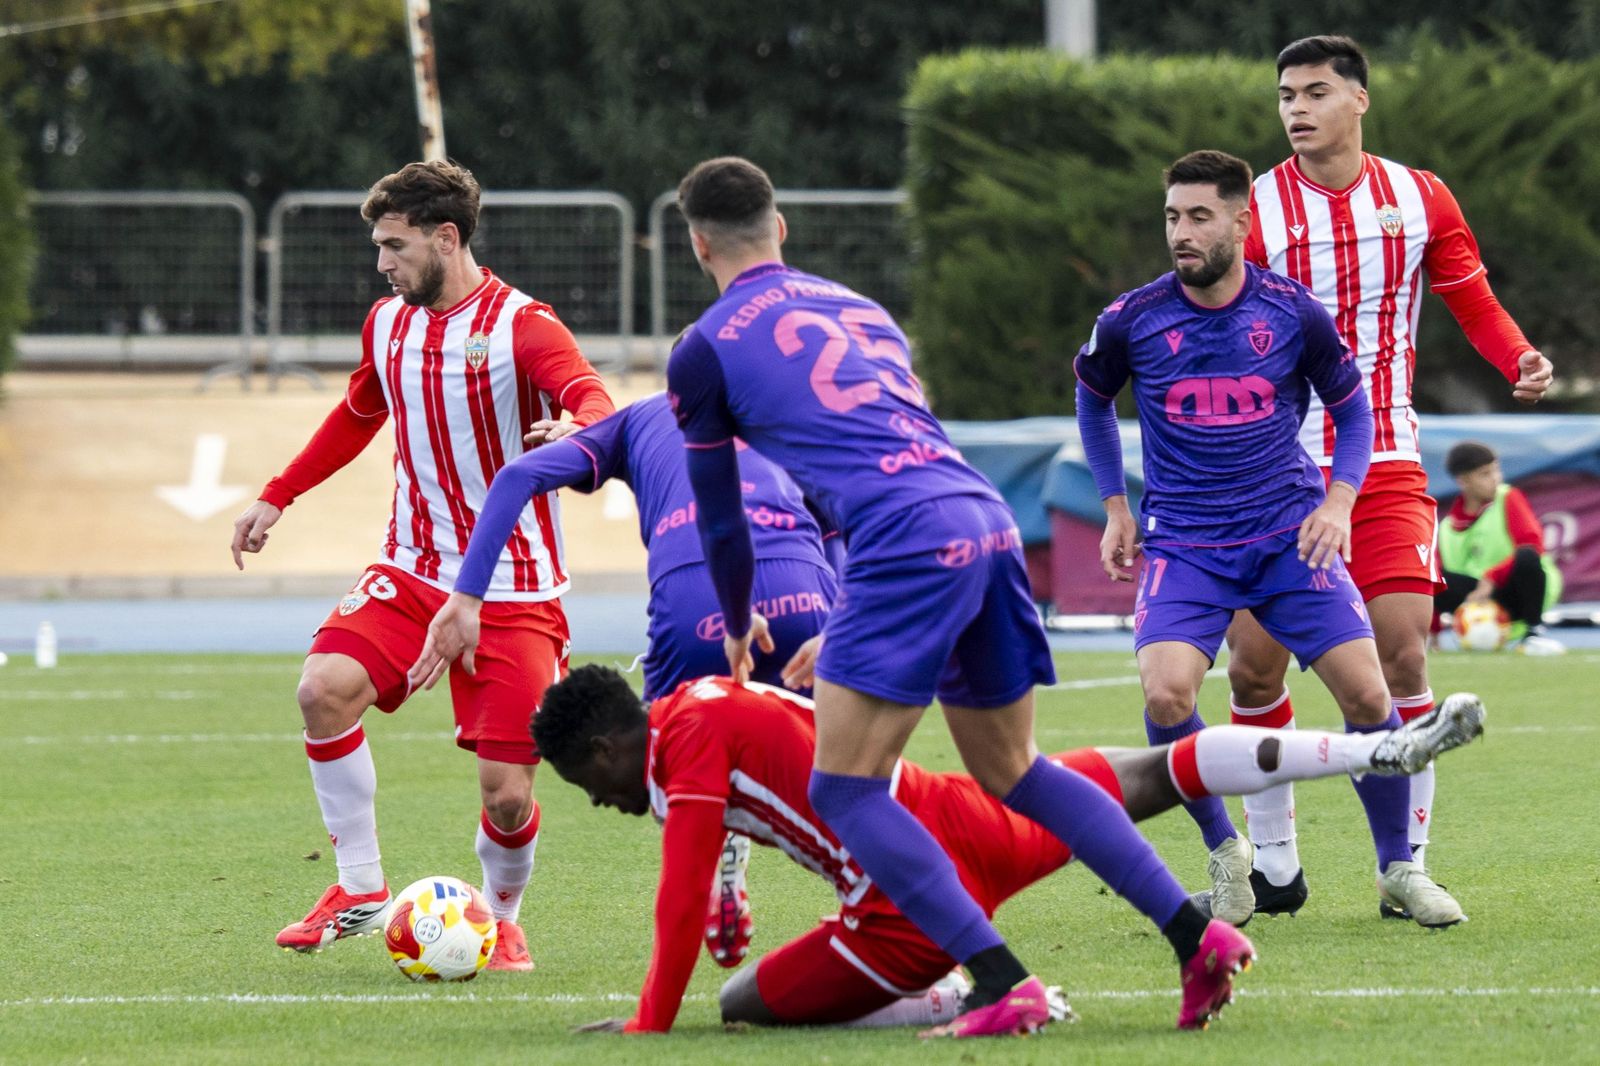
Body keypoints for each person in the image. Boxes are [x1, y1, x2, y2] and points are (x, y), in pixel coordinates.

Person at [663, 155, 1248, 1038]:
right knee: (1016, 770)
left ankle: (1001, 980)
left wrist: (740, 615)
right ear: (781, 228)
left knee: (847, 790)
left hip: (902, 541)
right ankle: (1195, 936)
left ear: (697, 244)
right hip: (982, 516)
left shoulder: (702, 347)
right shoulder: (863, 310)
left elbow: (720, 522)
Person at [534, 665, 1484, 1033]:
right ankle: (1375, 750)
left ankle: (971, 986)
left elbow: (682, 881)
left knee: (741, 1006)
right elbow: (732, 822)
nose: (606, 804)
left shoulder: (683, 747)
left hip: (903, 895)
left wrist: (651, 1023)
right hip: (966, 809)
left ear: (611, 747)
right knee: (1155, 770)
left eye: (591, 786)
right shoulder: (697, 707)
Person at [230, 160, 614, 968]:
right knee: (322, 689)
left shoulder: (525, 326)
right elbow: (356, 415)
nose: (382, 263)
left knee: (507, 800)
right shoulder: (387, 324)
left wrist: (575, 433)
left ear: (447, 238)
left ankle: (501, 916)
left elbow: (592, 398)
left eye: (394, 246)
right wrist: (277, 495)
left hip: (514, 588)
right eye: (378, 246)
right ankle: (361, 888)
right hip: (411, 570)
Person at [1076, 148, 1468, 929]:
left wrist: (1339, 500)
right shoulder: (1133, 317)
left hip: (1289, 538)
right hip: (1185, 544)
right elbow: (1092, 397)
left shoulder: (1289, 310)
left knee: (1367, 694)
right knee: (1166, 693)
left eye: (1198, 217)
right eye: (1171, 218)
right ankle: (1229, 859)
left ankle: (1398, 868)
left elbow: (1353, 411)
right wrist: (1116, 505)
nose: (1181, 233)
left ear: (1239, 221)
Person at [1226, 34, 1555, 915]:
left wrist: (1517, 354)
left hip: (1387, 457)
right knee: (1254, 670)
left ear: (1359, 100)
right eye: (1286, 95)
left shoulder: (1420, 197)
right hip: (1271, 468)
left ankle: (1402, 866)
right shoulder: (1252, 209)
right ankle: (1275, 866)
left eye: (1317, 92)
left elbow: (1471, 301)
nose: (1296, 109)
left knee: (1403, 648)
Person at [404, 390, 841, 964]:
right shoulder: (779, 411)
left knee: (668, 757)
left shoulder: (636, 418)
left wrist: (467, 597)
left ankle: (719, 857)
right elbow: (840, 524)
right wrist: (839, 616)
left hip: (696, 600)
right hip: (804, 590)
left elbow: (516, 478)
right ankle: (877, 909)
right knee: (844, 773)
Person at [1434, 440, 1564, 655]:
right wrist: (1434, 629)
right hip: (1480, 598)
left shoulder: (1508, 497)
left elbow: (1532, 543)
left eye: (1496, 471)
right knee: (1433, 579)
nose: (1496, 479)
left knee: (1527, 556)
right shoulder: (1447, 527)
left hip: (1518, 590)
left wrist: (1491, 578)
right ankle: (1431, 638)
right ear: (1464, 481)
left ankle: (1534, 632)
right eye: (1485, 474)